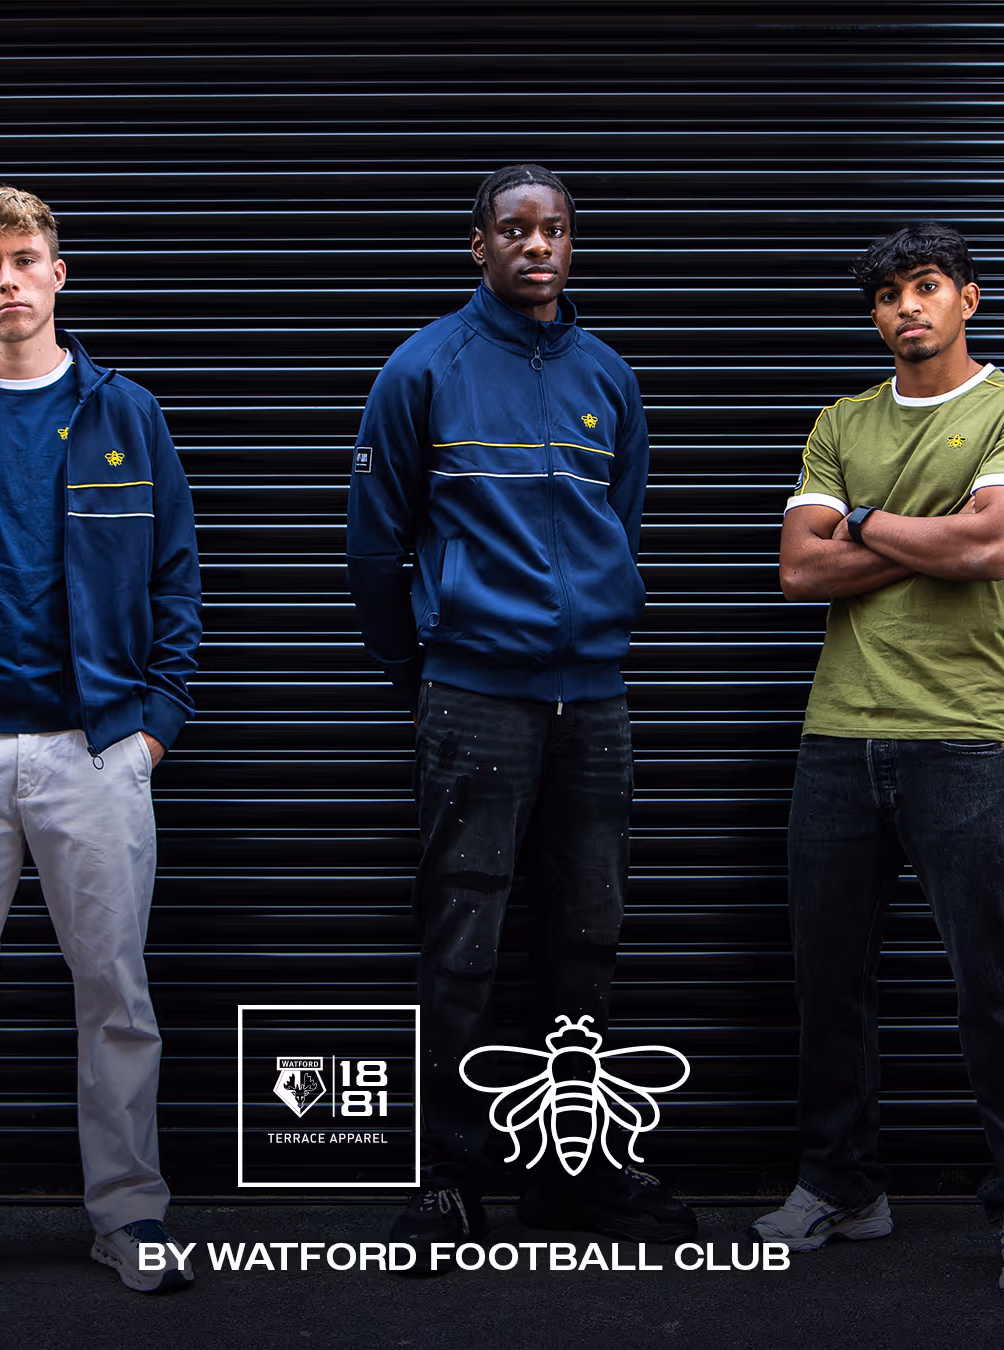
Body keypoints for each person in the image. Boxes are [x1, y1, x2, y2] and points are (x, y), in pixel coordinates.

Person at [346, 163, 696, 1270]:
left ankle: (574, 1171)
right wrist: (433, 671)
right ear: (479, 245)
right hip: (477, 695)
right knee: (465, 940)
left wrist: (586, 635)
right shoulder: (424, 369)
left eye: (552, 229)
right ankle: (449, 1177)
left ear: (571, 246)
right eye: (513, 229)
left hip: (593, 699)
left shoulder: (608, 377)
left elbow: (621, 531)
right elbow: (373, 544)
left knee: (586, 935)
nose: (534, 245)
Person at [0, 186, 202, 1295]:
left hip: (95, 751)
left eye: (24, 259)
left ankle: (128, 1217)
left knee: (117, 1000)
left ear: (57, 275)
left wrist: (153, 733)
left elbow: (177, 579)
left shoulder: (126, 415)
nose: (6, 281)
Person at [752, 222, 1004, 1289]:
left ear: (968, 300)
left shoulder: (1001, 406)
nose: (909, 306)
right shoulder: (840, 421)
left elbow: (989, 546)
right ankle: (844, 1187)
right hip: (838, 734)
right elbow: (800, 575)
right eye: (891, 293)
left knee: (992, 984)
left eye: (928, 286)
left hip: (970, 732)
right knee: (830, 982)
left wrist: (859, 525)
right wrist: (917, 530)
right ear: (874, 315)